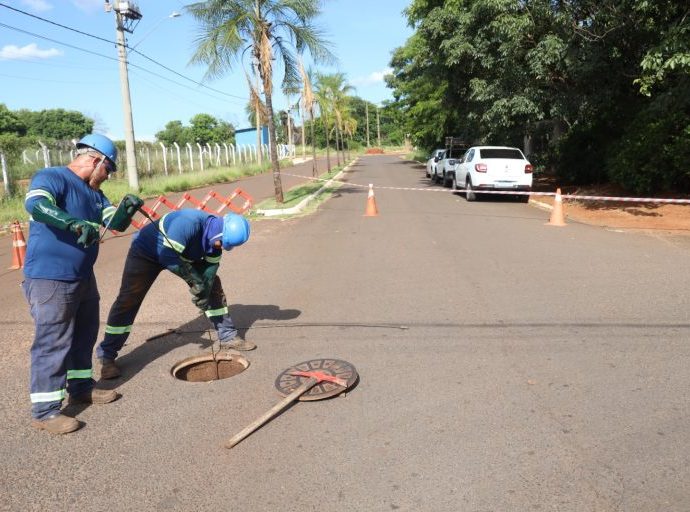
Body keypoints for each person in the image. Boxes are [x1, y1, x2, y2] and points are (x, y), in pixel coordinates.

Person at [22, 134, 143, 435]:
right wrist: (71, 223)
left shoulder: (95, 194)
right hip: (51, 276)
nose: (108, 175)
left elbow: (112, 223)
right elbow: (36, 205)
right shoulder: (53, 177)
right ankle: (46, 412)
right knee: (53, 341)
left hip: (83, 277)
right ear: (95, 160)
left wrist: (126, 210)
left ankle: (80, 388)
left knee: (84, 335)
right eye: (109, 169)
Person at [96, 209, 252, 380]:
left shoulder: (215, 240)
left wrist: (203, 292)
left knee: (213, 286)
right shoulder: (187, 223)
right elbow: (168, 257)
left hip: (181, 254)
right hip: (147, 252)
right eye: (221, 242)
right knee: (128, 299)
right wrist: (195, 281)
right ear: (219, 233)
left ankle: (228, 335)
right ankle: (107, 355)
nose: (220, 246)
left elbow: (209, 272)